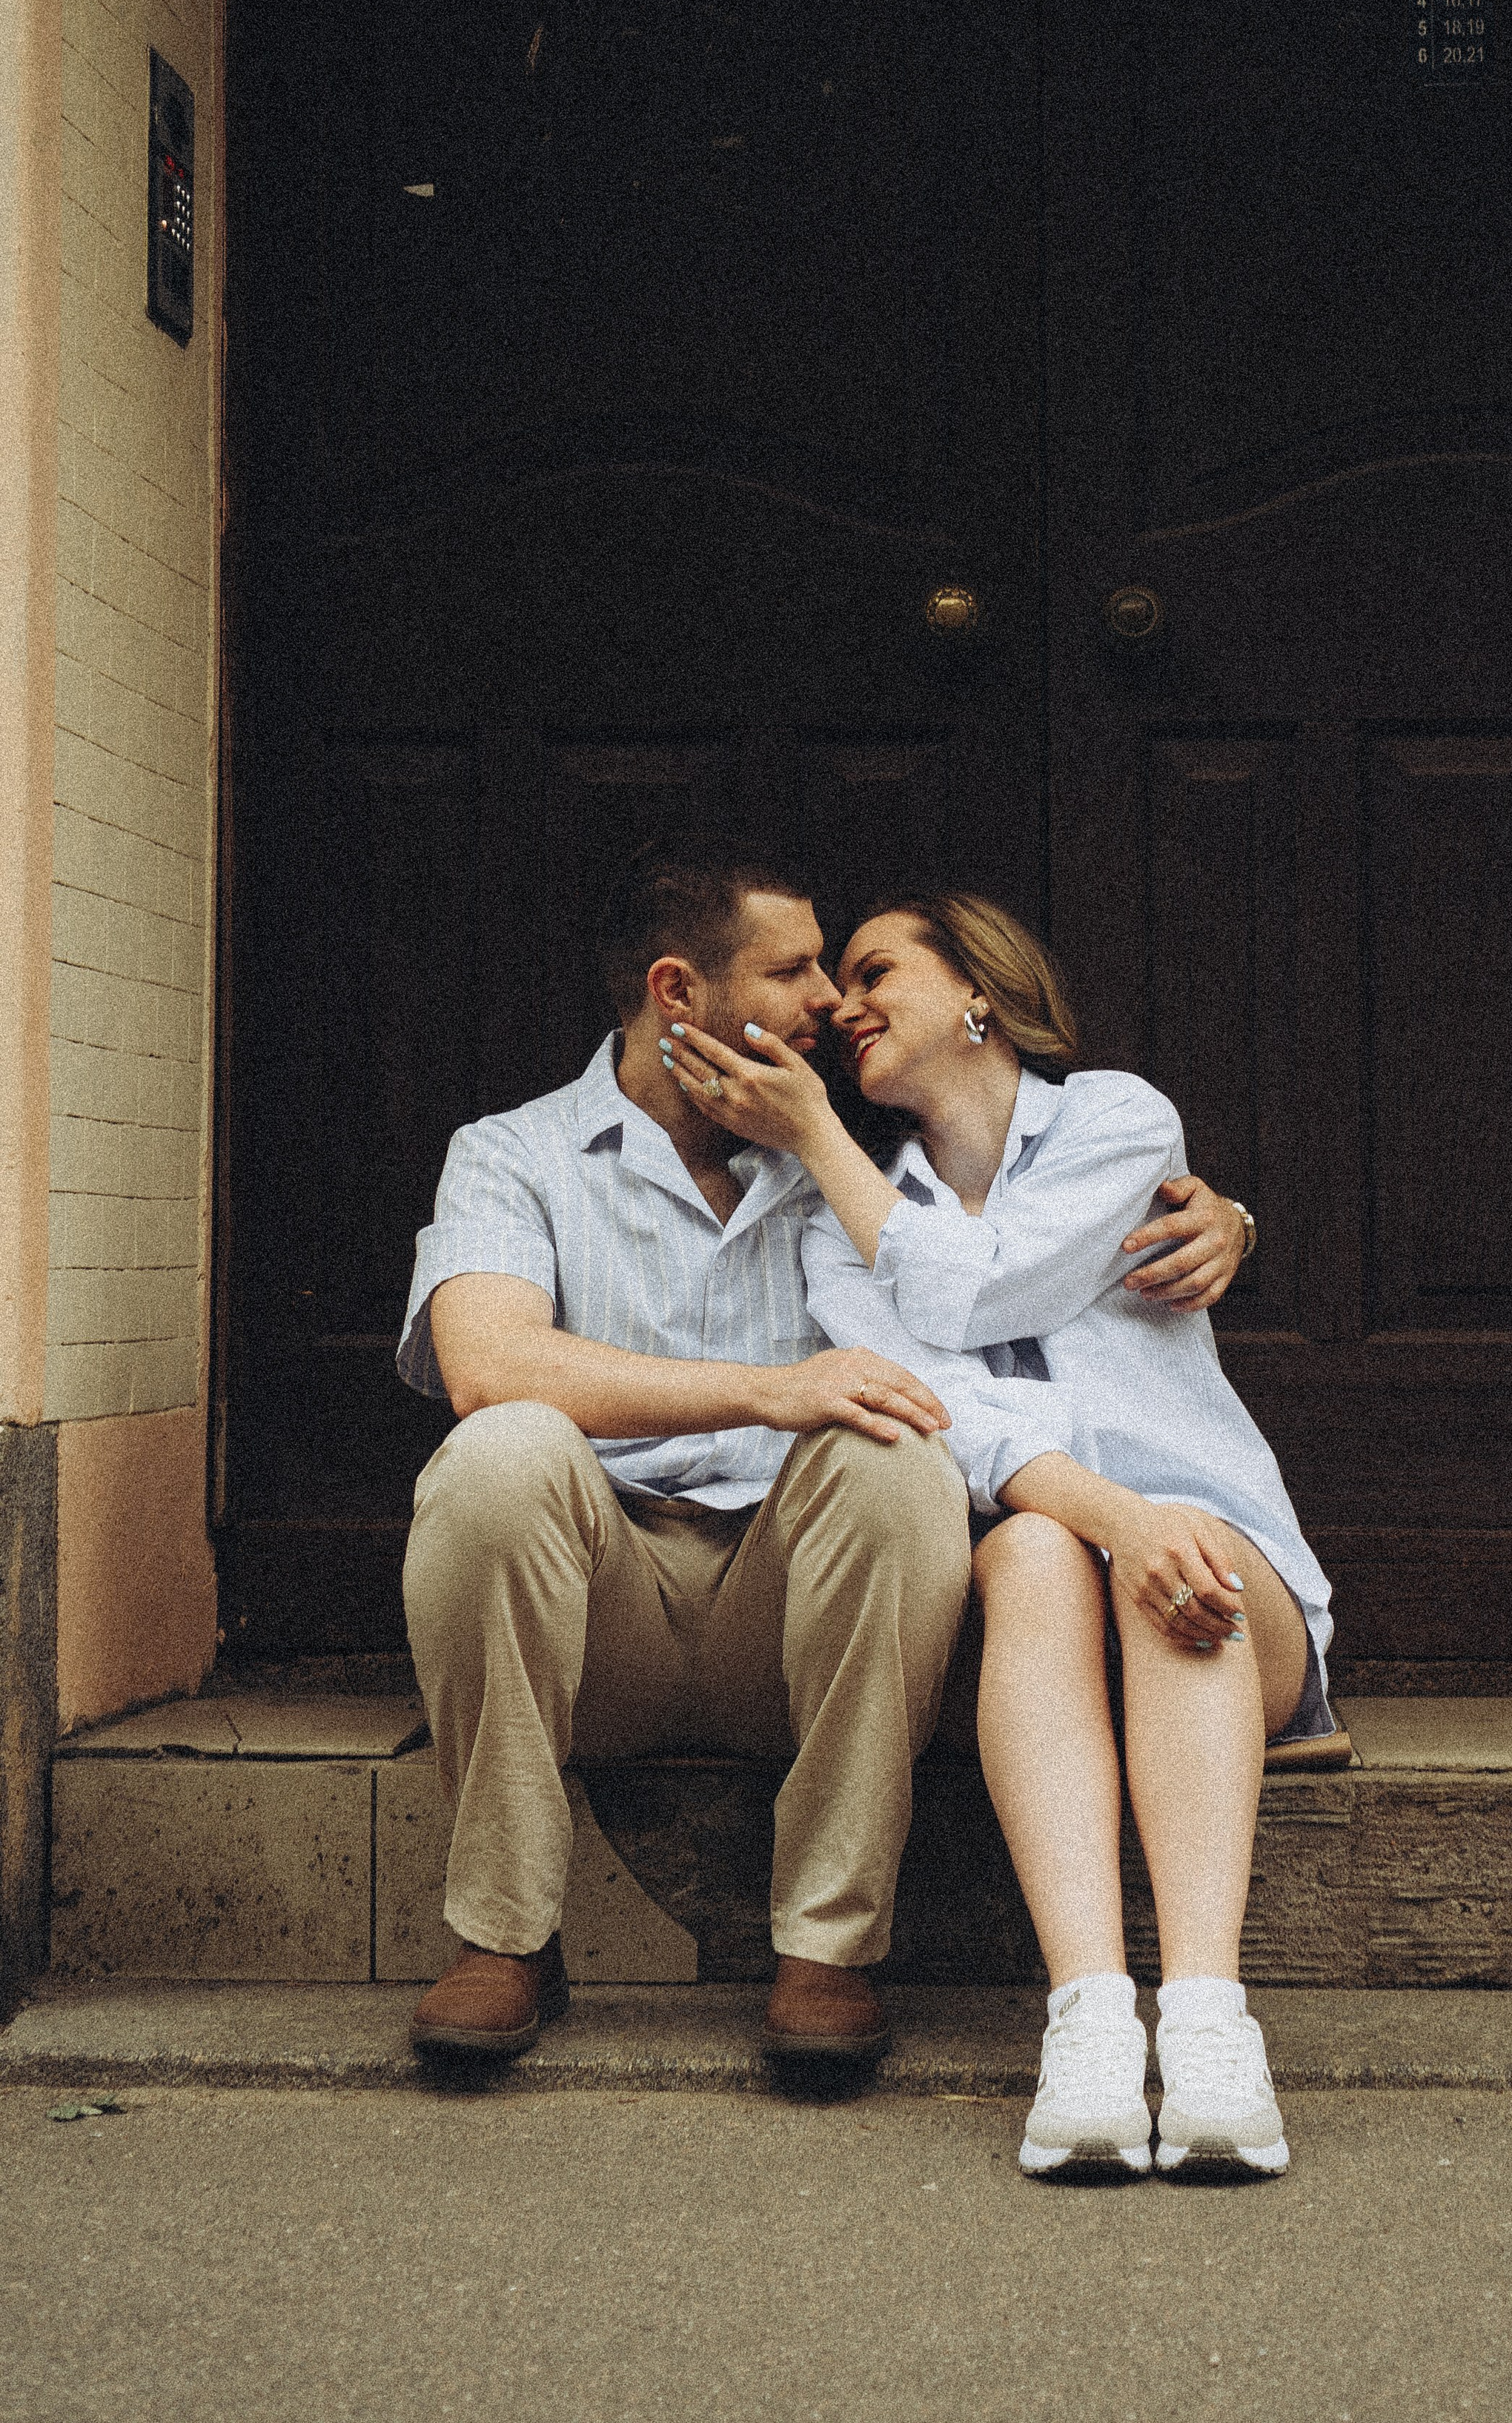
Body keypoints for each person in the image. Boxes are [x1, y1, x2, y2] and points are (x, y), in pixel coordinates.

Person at [395, 841, 1252, 2062]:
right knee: (501, 1446)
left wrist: (1227, 1217)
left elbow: (991, 1274)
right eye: (793, 969)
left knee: (897, 1452)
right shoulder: (511, 1153)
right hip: (592, 1614)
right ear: (678, 991)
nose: (828, 1003)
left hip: (790, 1618)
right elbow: (487, 1363)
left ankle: (828, 1949)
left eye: (842, 971)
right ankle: (502, 1939)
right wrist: (772, 1391)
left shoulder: (845, 1176)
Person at [660, 889, 1334, 2175]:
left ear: (979, 987)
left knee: (1175, 1544)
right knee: (1027, 1547)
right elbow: (941, 1411)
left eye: (875, 971)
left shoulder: (1119, 1123)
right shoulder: (838, 1226)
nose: (843, 1006)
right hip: (1045, 1616)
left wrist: (814, 1132)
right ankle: (1088, 2024)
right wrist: (1111, 1517)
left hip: (1225, 1590)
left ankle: (1208, 2024)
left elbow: (981, 1290)